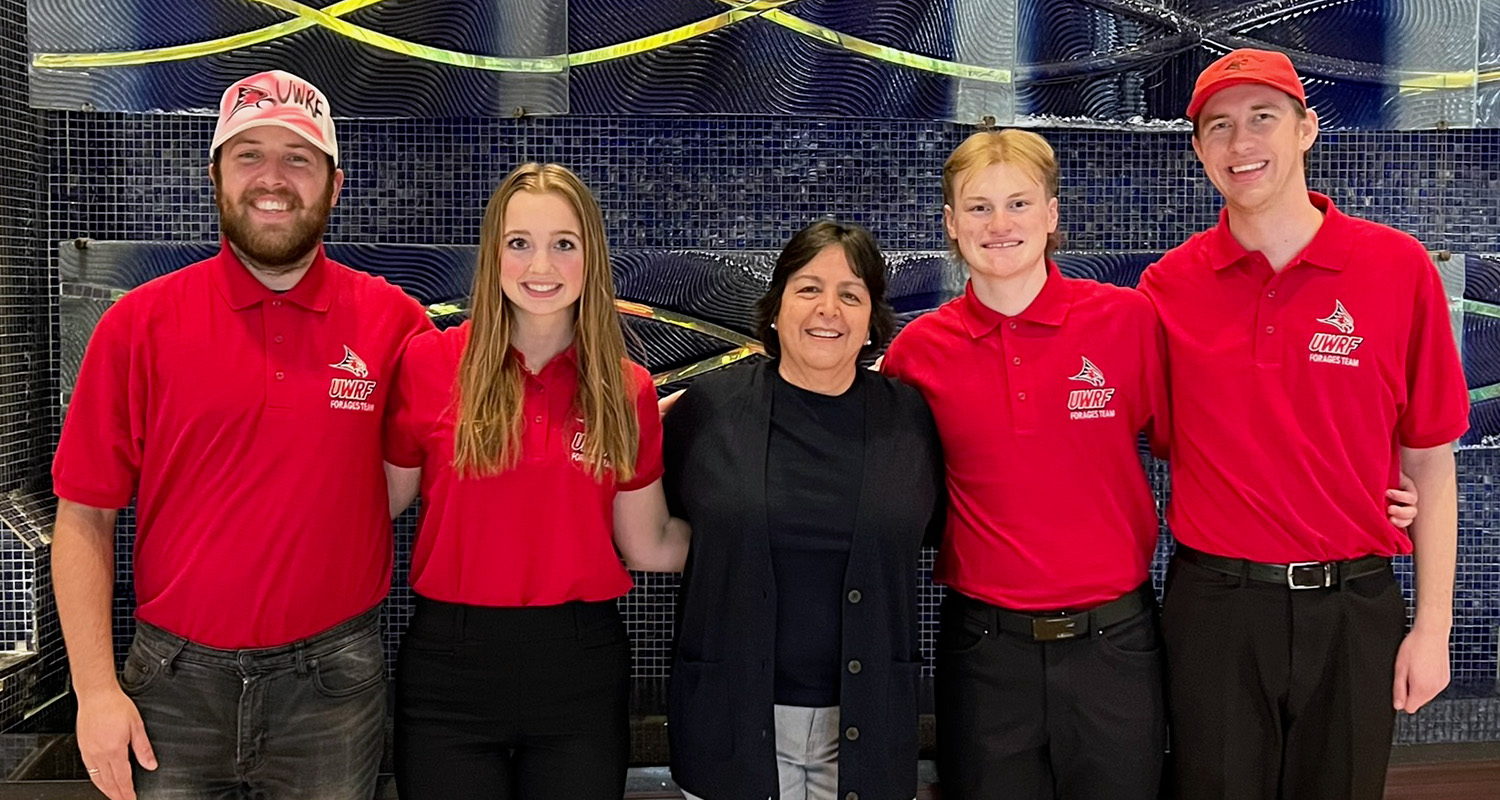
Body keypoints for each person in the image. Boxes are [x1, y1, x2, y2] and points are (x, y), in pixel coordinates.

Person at [879, 129, 1420, 800]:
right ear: (951, 224)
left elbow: (1228, 427)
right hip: (984, 646)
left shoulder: (1128, 321)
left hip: (1117, 643)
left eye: (1019, 204)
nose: (1000, 224)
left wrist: (1363, 489)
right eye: (979, 207)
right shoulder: (919, 351)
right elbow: (889, 484)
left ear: (1051, 216)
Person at [52, 70, 430, 800]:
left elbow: (483, 408)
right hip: (172, 687)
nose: (273, 178)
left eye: (299, 158)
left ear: (334, 184)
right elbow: (84, 517)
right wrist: (94, 691)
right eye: (249, 153)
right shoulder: (138, 326)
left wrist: (616, 402)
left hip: (332, 686)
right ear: (216, 175)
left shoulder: (395, 323)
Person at [1139, 48, 1469, 800]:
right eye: (1218, 126)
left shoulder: (1397, 268)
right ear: (1199, 150)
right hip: (1216, 606)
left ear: (1306, 130)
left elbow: (1429, 459)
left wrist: (1433, 627)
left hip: (1354, 607)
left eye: (1263, 118)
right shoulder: (1167, 290)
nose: (1240, 143)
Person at [383, 162, 689, 799]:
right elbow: (374, 506)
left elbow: (649, 543)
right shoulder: (431, 364)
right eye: (519, 242)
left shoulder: (624, 391)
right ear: (494, 253)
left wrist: (767, 531)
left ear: (591, 258)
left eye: (563, 244)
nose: (540, 265)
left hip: (578, 665)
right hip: (450, 665)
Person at [662, 220, 944, 800]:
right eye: (808, 288)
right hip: (733, 723)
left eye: (851, 294)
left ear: (872, 319)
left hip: (868, 727)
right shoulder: (708, 410)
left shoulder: (912, 420)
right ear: (775, 307)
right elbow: (663, 530)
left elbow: (934, 534)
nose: (828, 309)